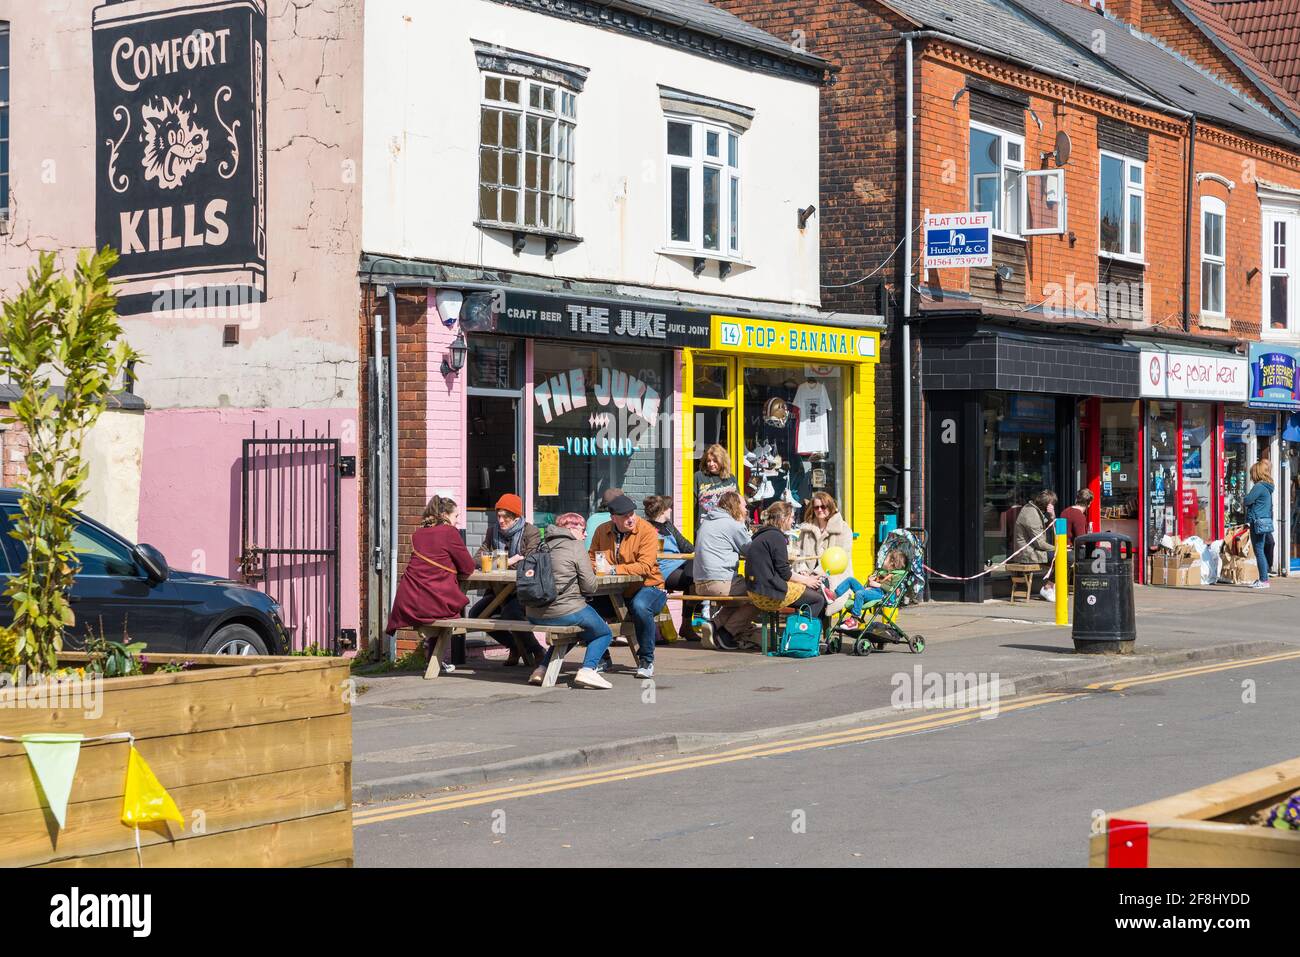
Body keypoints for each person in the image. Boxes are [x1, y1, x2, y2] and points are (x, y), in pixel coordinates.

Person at [522, 513, 615, 689]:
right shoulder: (575, 547)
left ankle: (541, 669)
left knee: (576, 632)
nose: (586, 534)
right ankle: (588, 670)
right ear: (571, 529)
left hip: (534, 612)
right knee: (604, 632)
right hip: (565, 610)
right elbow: (590, 587)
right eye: (583, 529)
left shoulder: (542, 545)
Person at [385, 496, 475, 675]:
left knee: (438, 605)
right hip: (435, 601)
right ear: (445, 515)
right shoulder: (449, 532)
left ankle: (433, 660)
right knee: (447, 610)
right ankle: (439, 660)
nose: (458, 521)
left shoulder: (418, 534)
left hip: (410, 603)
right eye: (456, 516)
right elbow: (468, 567)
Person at [589, 494, 667, 679]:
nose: (630, 518)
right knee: (586, 608)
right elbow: (591, 557)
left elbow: (645, 566)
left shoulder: (646, 530)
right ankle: (602, 657)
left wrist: (613, 570)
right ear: (613, 518)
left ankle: (646, 660)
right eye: (625, 516)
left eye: (632, 513)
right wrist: (598, 567)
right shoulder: (602, 531)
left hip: (650, 586)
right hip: (616, 591)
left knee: (640, 607)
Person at [470, 493, 545, 666]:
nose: (501, 520)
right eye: (499, 516)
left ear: (516, 517)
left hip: (522, 590)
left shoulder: (530, 532)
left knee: (511, 613)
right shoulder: (492, 531)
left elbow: (529, 562)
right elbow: (476, 560)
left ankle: (537, 650)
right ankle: (516, 647)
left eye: (506, 517)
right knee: (476, 615)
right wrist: (507, 561)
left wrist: (495, 562)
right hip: (498, 591)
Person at [692, 490, 756, 650]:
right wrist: (742, 524)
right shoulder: (732, 524)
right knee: (761, 594)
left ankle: (714, 625)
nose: (746, 508)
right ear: (735, 506)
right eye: (744, 505)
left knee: (736, 601)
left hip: (700, 583)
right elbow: (751, 550)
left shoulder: (707, 521)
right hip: (720, 582)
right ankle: (726, 634)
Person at [745, 500, 827, 621]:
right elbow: (785, 573)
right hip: (767, 594)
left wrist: (805, 580)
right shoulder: (776, 536)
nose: (793, 521)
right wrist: (807, 580)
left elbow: (779, 571)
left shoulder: (763, 534)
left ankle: (799, 630)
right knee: (818, 598)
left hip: (755, 591)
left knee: (813, 591)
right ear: (783, 518)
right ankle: (799, 635)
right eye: (792, 517)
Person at [644, 494, 700, 641]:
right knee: (694, 577)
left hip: (679, 566)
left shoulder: (669, 526)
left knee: (695, 573)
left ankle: (686, 626)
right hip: (661, 570)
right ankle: (687, 626)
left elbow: (686, 546)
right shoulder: (645, 527)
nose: (671, 511)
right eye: (669, 508)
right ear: (663, 510)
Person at [834, 548, 909, 631]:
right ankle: (834, 595)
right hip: (869, 591)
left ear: (892, 563)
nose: (883, 560)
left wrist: (878, 585)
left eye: (886, 559)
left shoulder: (897, 576)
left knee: (859, 593)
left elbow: (893, 589)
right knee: (850, 580)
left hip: (880, 594)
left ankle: (854, 620)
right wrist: (870, 580)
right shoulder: (883, 572)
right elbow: (873, 583)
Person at [796, 492, 854, 584]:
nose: (819, 510)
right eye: (816, 507)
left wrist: (816, 575)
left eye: (823, 507)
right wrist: (802, 570)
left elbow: (839, 559)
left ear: (830, 507)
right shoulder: (807, 529)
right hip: (808, 579)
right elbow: (799, 552)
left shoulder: (843, 529)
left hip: (834, 578)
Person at [1011, 490, 1057, 600]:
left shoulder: (1034, 510)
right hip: (1028, 553)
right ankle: (1048, 588)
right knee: (1065, 557)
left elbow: (1049, 526)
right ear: (1048, 504)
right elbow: (1039, 543)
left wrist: (1052, 516)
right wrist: (1058, 548)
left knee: (1067, 555)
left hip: (1033, 550)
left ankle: (1052, 587)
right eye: (1052, 504)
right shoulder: (1032, 515)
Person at [1244, 460, 1276, 589]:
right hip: (1264, 521)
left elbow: (1247, 500)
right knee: (1260, 550)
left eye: (1252, 473)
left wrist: (1245, 499)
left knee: (1259, 551)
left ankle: (1263, 580)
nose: (1251, 476)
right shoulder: (1267, 487)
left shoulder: (1259, 487)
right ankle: (1263, 578)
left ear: (1256, 473)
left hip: (1257, 522)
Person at [695, 444, 739, 524]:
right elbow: (692, 504)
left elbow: (738, 503)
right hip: (706, 526)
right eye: (708, 461)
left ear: (722, 461)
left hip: (728, 525)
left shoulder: (731, 478)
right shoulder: (699, 476)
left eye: (715, 461)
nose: (711, 464)